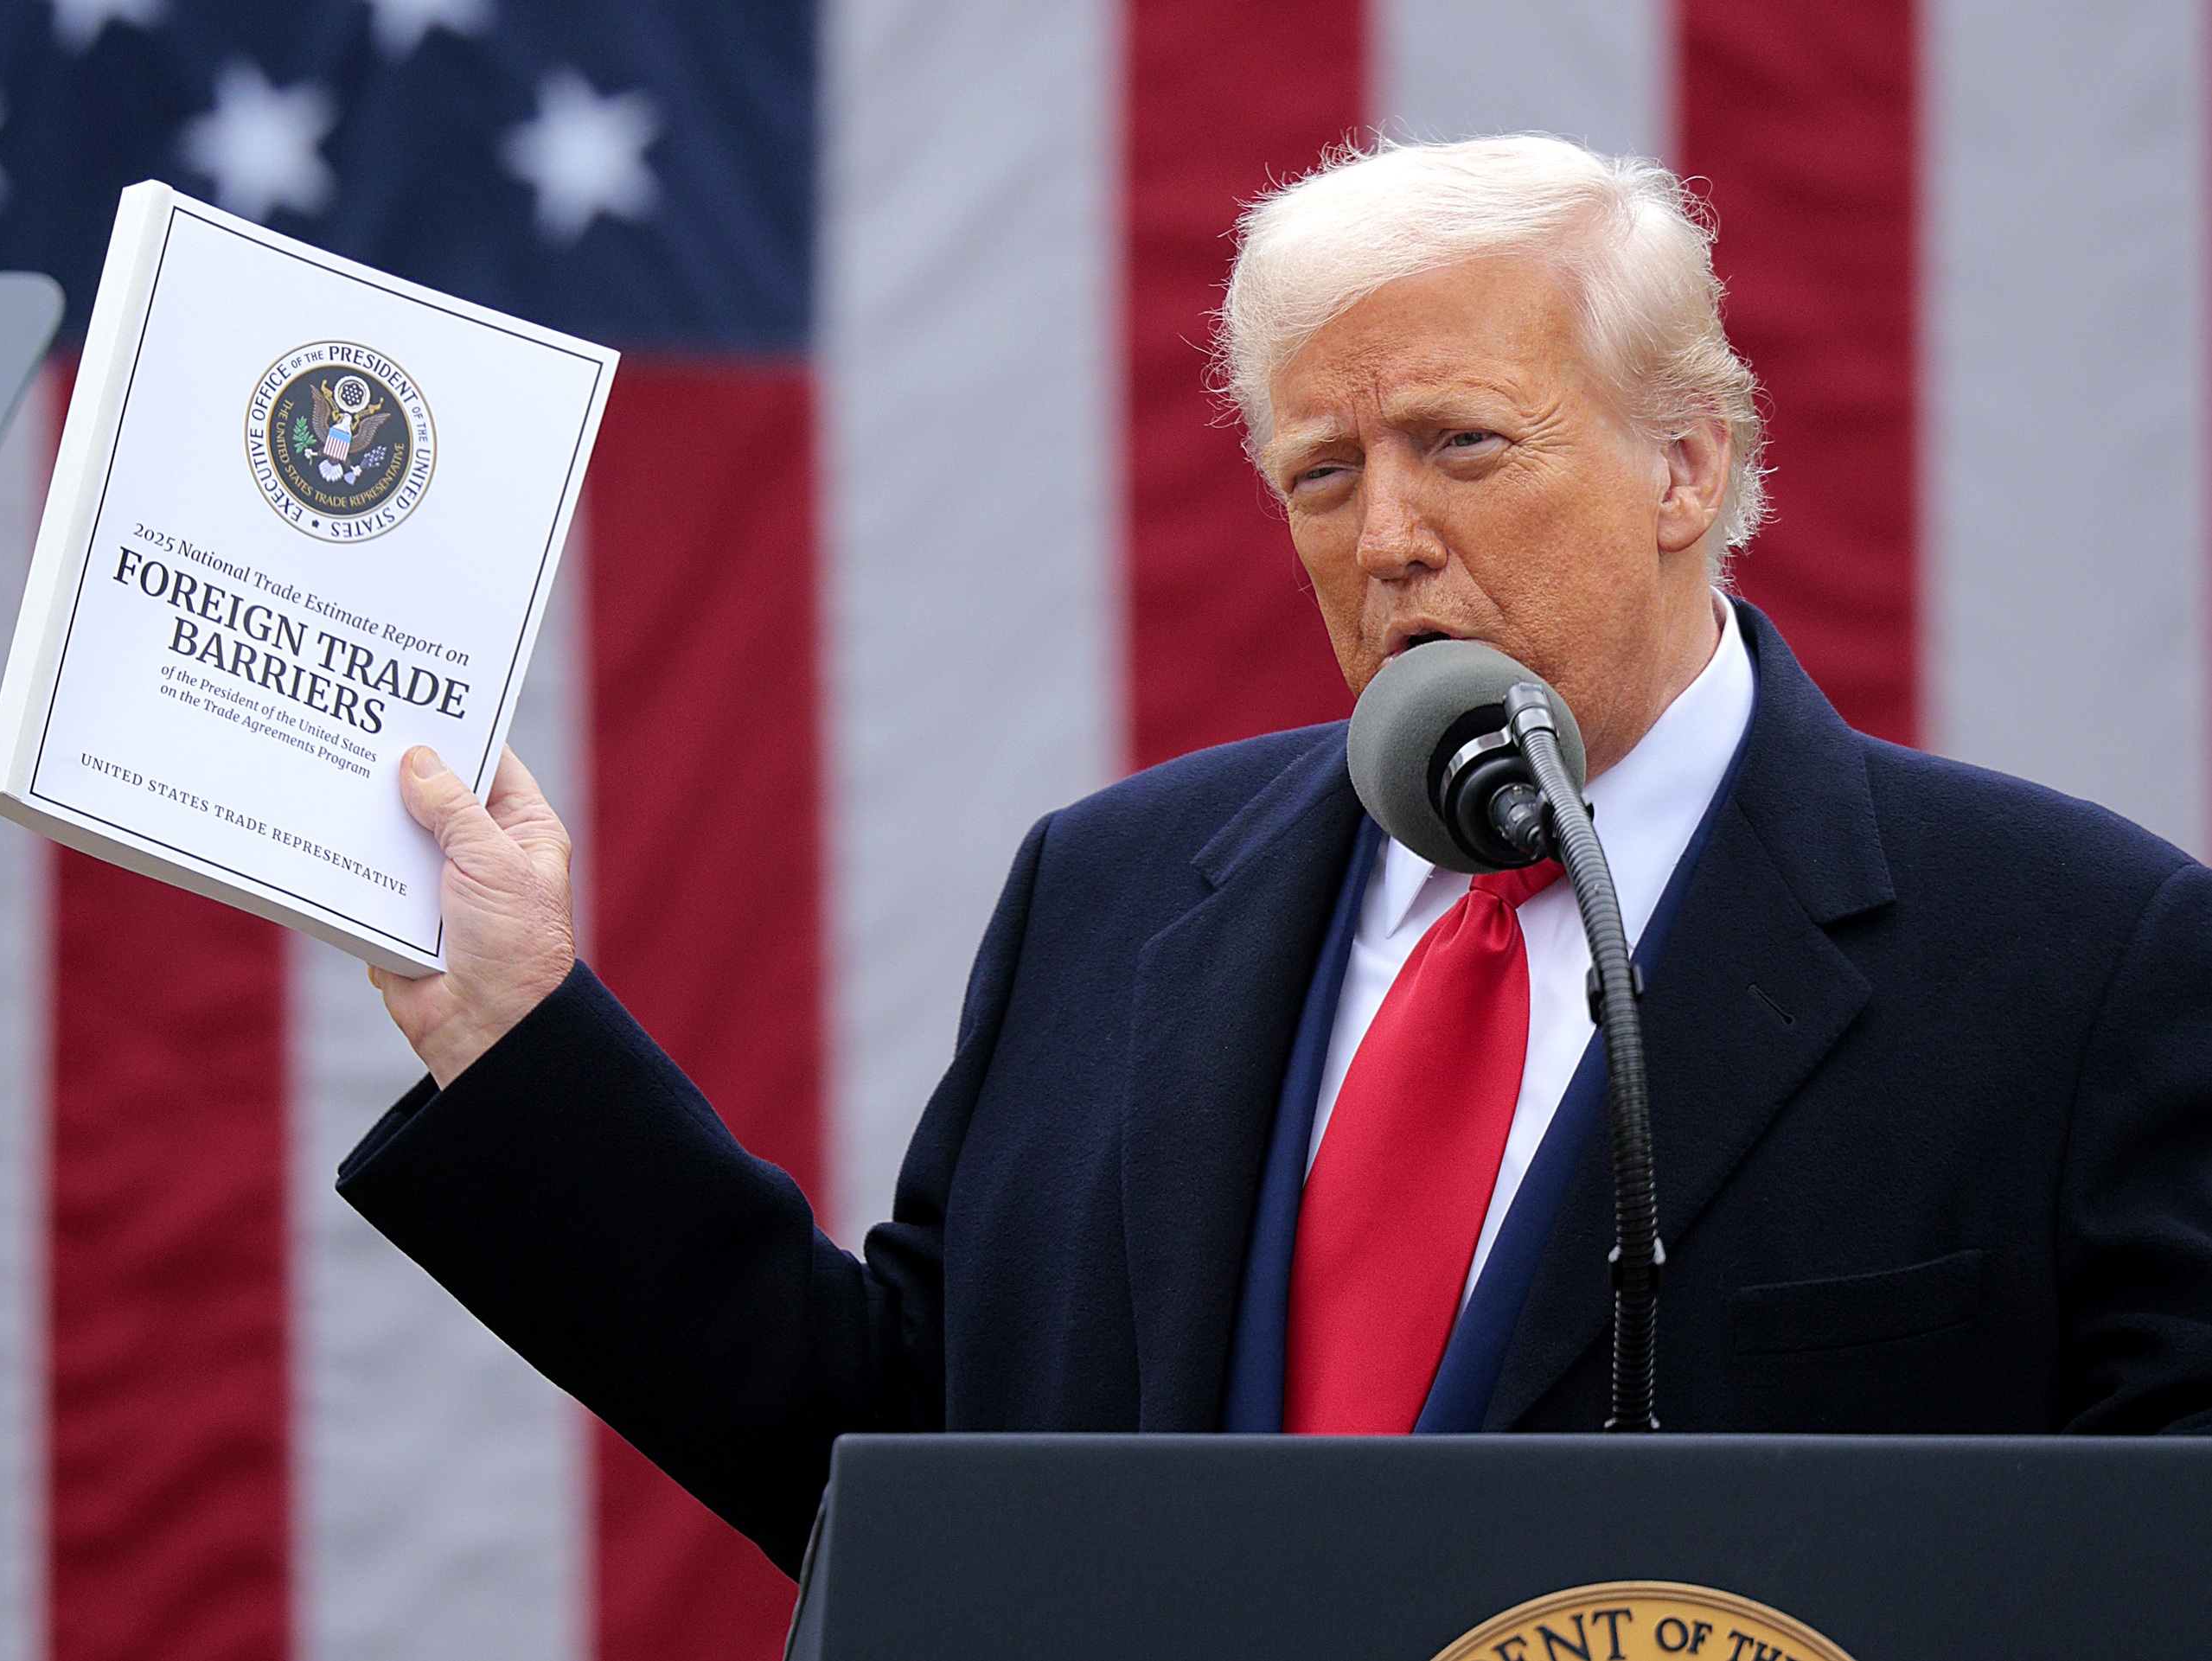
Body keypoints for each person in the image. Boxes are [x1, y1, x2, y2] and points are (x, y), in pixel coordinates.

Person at [339, 136, 2212, 1578]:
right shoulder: (1112, 894)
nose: (1388, 533)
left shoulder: (2076, 960)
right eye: (1323, 473)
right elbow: (899, 1463)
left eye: (1462, 445)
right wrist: (518, 1036)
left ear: (1687, 467)